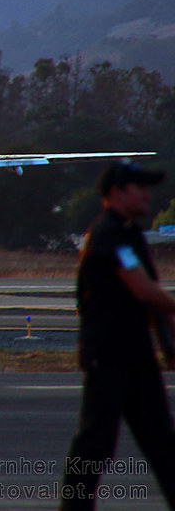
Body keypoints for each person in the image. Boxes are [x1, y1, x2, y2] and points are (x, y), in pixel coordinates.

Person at [61, 161, 175, 509]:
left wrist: (168, 344)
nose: (147, 194)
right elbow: (145, 290)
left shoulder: (129, 234)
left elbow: (151, 298)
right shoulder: (108, 235)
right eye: (138, 186)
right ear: (116, 192)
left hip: (135, 355)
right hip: (108, 355)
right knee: (95, 445)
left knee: (162, 443)